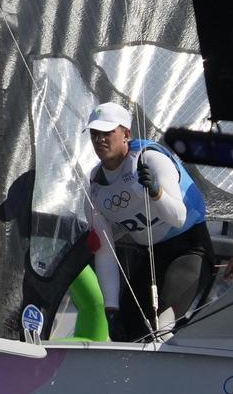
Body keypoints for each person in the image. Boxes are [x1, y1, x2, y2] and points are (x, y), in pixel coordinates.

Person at [85, 102, 213, 341]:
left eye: (107, 132)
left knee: (161, 329)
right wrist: (110, 308)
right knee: (124, 331)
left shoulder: (150, 160)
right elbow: (105, 252)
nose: (100, 139)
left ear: (126, 134)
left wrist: (156, 193)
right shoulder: (94, 188)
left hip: (190, 251)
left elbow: (178, 218)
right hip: (151, 255)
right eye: (94, 133)